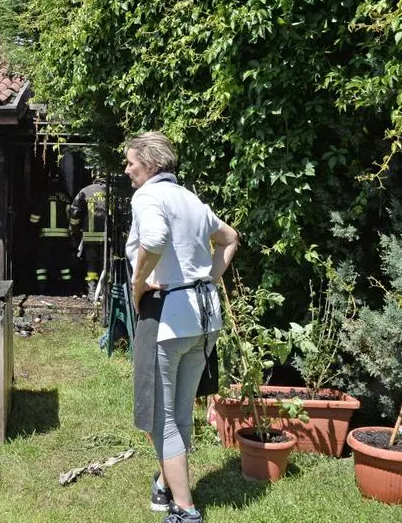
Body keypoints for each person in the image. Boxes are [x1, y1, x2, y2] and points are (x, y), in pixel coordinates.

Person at [124, 131, 238, 523]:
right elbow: (230, 238)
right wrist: (208, 277)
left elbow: (154, 239)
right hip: (206, 319)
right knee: (181, 412)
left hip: (168, 317)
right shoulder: (190, 198)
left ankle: (186, 510)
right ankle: (165, 482)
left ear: (151, 164)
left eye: (131, 163)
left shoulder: (149, 196)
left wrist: (139, 286)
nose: (127, 170)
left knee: (161, 416)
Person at [30, 169, 74, 295]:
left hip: (46, 236)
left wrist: (32, 228)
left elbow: (35, 215)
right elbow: (72, 215)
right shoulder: (66, 196)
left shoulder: (44, 194)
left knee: (42, 262)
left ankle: (41, 288)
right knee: (64, 263)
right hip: (63, 237)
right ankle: (68, 289)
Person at [69, 173, 107, 301]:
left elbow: (75, 212)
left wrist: (74, 230)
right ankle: (105, 293)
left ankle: (92, 291)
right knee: (105, 264)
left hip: (90, 237)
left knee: (91, 264)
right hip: (107, 238)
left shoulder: (85, 191)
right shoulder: (111, 192)